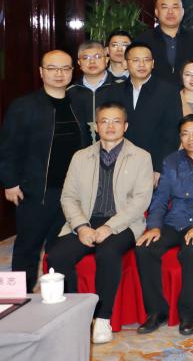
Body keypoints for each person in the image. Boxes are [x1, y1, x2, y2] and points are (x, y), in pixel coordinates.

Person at [46, 102, 153, 344]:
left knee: (108, 251)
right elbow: (68, 197)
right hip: (85, 220)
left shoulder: (141, 157)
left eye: (116, 121)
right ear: (96, 126)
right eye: (104, 121)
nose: (110, 126)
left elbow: (140, 201)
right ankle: (74, 316)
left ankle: (103, 318)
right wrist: (81, 226)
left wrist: (110, 227)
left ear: (125, 126)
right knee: (57, 256)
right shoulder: (81, 157)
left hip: (124, 223)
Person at [0, 50, 93, 293]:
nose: (59, 74)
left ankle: (59, 299)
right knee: (27, 248)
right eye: (52, 68)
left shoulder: (79, 104)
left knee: (59, 250)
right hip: (37, 191)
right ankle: (19, 298)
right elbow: (7, 147)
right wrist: (10, 182)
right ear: (41, 72)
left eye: (65, 68)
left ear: (72, 71)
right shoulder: (24, 106)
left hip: (71, 193)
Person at [134, 114, 193, 336]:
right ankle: (157, 311)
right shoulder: (171, 161)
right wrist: (154, 226)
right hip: (175, 221)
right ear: (180, 137)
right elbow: (161, 198)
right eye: (185, 134)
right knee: (145, 248)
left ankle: (187, 314)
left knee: (191, 250)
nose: (191, 138)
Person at [97, 42, 182, 179]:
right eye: (136, 60)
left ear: (153, 63)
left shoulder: (168, 91)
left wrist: (159, 167)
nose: (142, 64)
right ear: (125, 64)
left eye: (146, 60)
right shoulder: (113, 92)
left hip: (153, 166)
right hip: (117, 164)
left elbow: (172, 133)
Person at [135, 0, 193, 87]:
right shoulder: (143, 40)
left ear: (182, 12)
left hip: (187, 93)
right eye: (165, 7)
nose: (170, 12)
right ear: (156, 12)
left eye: (175, 7)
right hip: (153, 93)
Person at [68, 41, 124, 138]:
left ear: (107, 60)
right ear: (79, 63)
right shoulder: (70, 92)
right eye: (86, 58)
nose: (92, 62)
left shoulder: (122, 87)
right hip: (81, 147)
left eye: (97, 57)